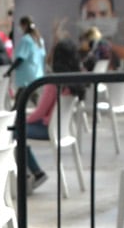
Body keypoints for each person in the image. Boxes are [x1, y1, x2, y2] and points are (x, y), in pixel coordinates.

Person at [19, 38, 84, 191]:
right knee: (18, 130)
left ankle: (33, 174)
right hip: (64, 130)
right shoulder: (75, 82)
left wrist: (24, 120)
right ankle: (32, 174)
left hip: (50, 130)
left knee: (15, 132)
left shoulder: (53, 83)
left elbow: (40, 112)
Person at [11, 15, 46, 105]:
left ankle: (14, 118)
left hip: (26, 77)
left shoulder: (26, 40)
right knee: (34, 99)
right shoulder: (39, 39)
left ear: (24, 25)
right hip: (36, 74)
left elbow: (21, 58)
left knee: (18, 103)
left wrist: (9, 70)